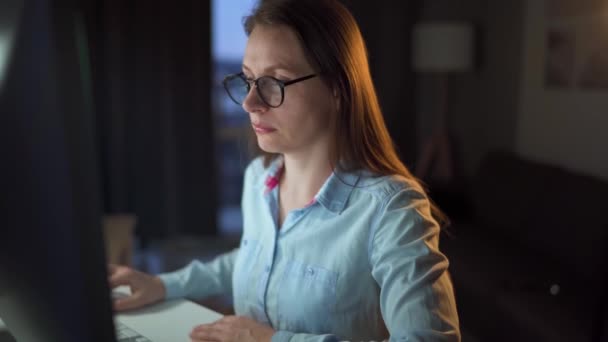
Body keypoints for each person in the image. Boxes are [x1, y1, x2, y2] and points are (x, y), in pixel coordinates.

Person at [108, 0, 461, 340]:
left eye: (274, 82)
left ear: (338, 87)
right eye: (247, 79)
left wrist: (273, 340)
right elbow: (254, 259)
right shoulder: (258, 180)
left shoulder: (393, 210)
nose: (250, 103)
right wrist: (164, 284)